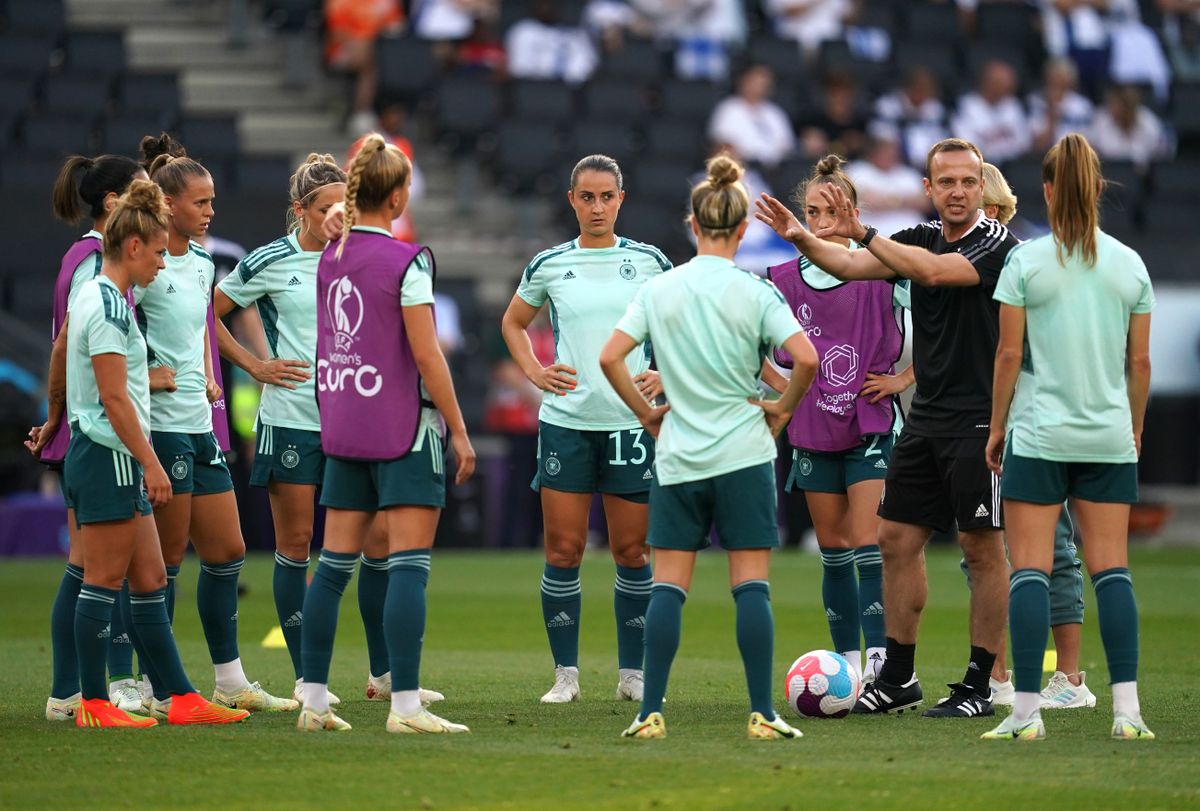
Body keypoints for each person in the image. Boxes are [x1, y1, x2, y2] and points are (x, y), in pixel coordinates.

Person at [755, 137, 1019, 718]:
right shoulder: (916, 236)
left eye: (967, 182)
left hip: (979, 418)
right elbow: (849, 265)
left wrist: (865, 233)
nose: (956, 191)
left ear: (981, 186)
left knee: (982, 549)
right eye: (945, 182)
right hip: (925, 420)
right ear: (928, 189)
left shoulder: (995, 242)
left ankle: (978, 685)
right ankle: (898, 676)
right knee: (894, 541)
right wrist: (803, 237)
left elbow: (933, 272)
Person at [600, 153, 818, 740]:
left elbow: (609, 357)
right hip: (744, 453)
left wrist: (647, 413)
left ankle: (650, 713)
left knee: (668, 585)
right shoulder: (755, 291)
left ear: (692, 225)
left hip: (678, 455)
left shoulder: (660, 288)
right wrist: (783, 408)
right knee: (751, 584)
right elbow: (808, 360)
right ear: (744, 230)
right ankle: (762, 715)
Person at [297, 133, 476, 734]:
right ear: (398, 197)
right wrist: (458, 430)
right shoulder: (408, 261)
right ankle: (404, 708)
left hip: (344, 424)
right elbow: (428, 357)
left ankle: (314, 702)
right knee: (408, 566)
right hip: (402, 429)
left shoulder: (331, 256)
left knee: (332, 566)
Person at [57, 179, 250, 727]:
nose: (164, 265)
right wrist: (149, 461)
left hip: (115, 454)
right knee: (101, 580)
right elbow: (114, 396)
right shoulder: (107, 304)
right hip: (107, 456)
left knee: (148, 581)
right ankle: (94, 702)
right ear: (134, 247)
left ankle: (181, 697)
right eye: (160, 253)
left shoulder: (105, 298)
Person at [982, 133, 1154, 740]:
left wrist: (997, 426)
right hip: (1108, 435)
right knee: (1112, 572)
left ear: (1049, 191)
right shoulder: (1130, 263)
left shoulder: (1025, 262)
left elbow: (1008, 355)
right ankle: (1127, 713)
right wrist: (1132, 426)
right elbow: (1139, 365)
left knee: (1029, 571)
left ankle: (1026, 716)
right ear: (1099, 189)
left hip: (1040, 434)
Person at [500, 154, 672, 705]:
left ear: (621, 200)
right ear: (571, 200)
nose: (597, 207)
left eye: (607, 197)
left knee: (632, 553)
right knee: (564, 550)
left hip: (630, 423)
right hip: (568, 424)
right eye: (587, 197)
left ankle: (633, 674)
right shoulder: (549, 263)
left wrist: (664, 371)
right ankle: (566, 675)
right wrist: (534, 371)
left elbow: (685, 323)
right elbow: (513, 322)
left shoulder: (649, 262)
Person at [138, 139, 296, 715]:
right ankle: (158, 685)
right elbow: (109, 329)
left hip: (201, 425)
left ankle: (228, 679)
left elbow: (204, 328)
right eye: (200, 203)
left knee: (228, 550)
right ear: (167, 204)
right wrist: (147, 372)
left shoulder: (204, 263)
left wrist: (234, 369)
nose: (210, 213)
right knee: (166, 561)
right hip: (160, 428)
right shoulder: (143, 265)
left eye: (212, 202)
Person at [760, 155, 911, 683]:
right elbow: (751, 346)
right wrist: (789, 390)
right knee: (833, 548)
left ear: (852, 211)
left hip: (869, 420)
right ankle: (846, 660)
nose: (819, 221)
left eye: (830, 211)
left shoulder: (883, 267)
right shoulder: (779, 278)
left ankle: (878, 657)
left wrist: (903, 379)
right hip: (812, 427)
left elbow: (942, 323)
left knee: (870, 542)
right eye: (811, 211)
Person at [31, 154, 171, 720]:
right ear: (116, 207)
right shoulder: (98, 269)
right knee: (98, 572)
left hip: (81, 428)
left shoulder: (78, 257)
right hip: (101, 436)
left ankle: (75, 692)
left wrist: (52, 415)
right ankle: (96, 690)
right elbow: (81, 354)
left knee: (93, 566)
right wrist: (143, 378)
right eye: (141, 192)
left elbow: (63, 346)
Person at [212, 154, 345, 702]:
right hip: (291, 419)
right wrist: (255, 365)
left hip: (354, 420)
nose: (339, 216)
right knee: (295, 546)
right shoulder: (271, 260)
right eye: (325, 207)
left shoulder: (362, 257)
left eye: (347, 205)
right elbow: (206, 312)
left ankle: (385, 676)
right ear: (300, 211)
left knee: (374, 545)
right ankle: (305, 676)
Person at [973, 162, 1097, 710]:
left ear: (995, 211)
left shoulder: (1026, 263)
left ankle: (1070, 679)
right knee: (983, 550)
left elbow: (1017, 351)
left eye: (975, 197)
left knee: (1054, 550)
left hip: (1030, 421)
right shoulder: (952, 260)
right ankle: (997, 674)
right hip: (977, 419)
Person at [708, 64, 796, 169]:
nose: (759, 87)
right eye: (755, 81)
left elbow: (787, 147)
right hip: (743, 168)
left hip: (775, 171)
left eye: (764, 83)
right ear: (743, 81)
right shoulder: (728, 108)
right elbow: (722, 145)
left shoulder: (775, 113)